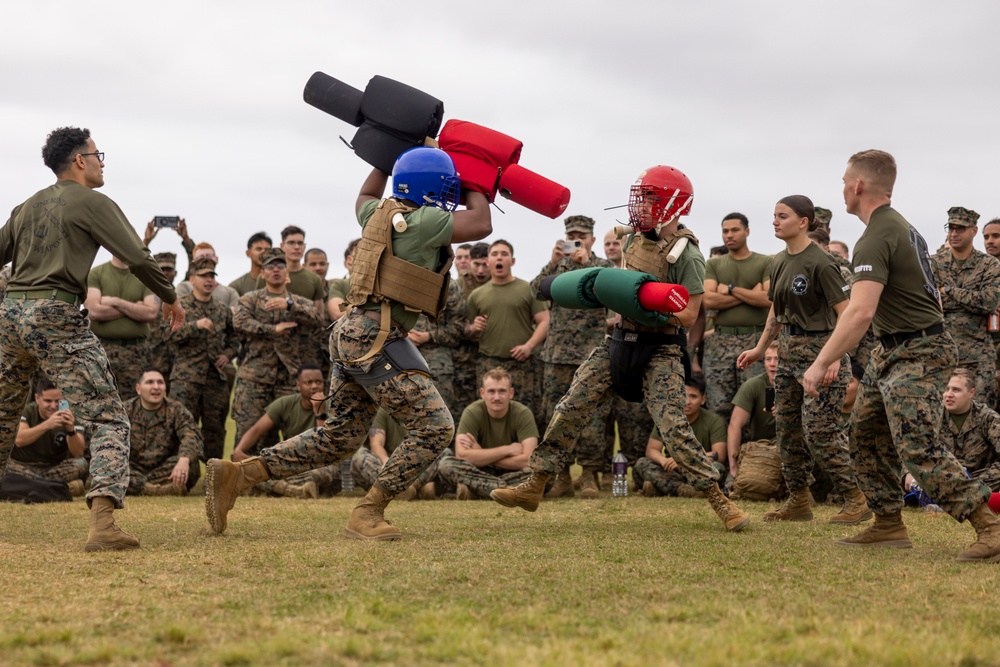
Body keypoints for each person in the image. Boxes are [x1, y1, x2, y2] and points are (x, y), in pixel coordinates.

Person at [205, 146, 493, 540]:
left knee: (339, 435)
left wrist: (383, 154)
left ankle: (239, 474)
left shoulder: (379, 214)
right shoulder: (424, 221)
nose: (452, 192)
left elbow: (364, 196)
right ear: (429, 187)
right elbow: (480, 224)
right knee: (435, 426)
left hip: (350, 333)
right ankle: (368, 512)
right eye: (447, 185)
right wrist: (481, 179)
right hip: (377, 337)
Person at [491, 165, 750, 532]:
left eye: (649, 199)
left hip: (659, 349)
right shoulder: (629, 240)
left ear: (673, 205)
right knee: (571, 407)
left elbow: (690, 314)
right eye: (640, 198)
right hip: (617, 341)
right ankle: (536, 483)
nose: (641, 206)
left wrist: (649, 308)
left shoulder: (686, 254)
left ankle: (720, 501)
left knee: (673, 427)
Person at [801, 149, 1000, 561]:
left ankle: (990, 526)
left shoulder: (877, 234)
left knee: (918, 446)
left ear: (858, 186)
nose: (842, 188)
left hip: (917, 350)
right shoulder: (900, 228)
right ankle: (888, 524)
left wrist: (821, 361)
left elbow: (860, 311)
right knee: (866, 434)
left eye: (844, 182)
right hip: (890, 350)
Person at [0, 126, 184, 551]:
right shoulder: (93, 201)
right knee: (107, 418)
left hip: (11, 314)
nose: (102, 162)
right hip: (56, 312)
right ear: (80, 161)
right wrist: (171, 297)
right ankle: (102, 525)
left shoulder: (26, 206)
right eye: (98, 154)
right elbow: (137, 255)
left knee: (4, 418)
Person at [737, 195, 870, 524]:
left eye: (782, 216)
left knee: (820, 432)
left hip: (821, 354)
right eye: (774, 216)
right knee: (787, 430)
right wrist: (759, 348)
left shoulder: (822, 263)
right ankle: (799, 500)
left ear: (803, 222)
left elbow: (846, 314)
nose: (775, 221)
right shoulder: (778, 261)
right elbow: (775, 311)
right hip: (787, 354)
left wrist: (835, 359)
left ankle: (856, 498)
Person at [531, 215, 615, 498]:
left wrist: (586, 264)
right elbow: (535, 291)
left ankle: (589, 474)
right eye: (571, 237)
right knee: (555, 414)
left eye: (581, 236)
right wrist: (553, 262)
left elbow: (610, 293)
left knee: (592, 415)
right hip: (556, 355)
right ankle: (562, 475)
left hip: (591, 353)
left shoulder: (602, 266)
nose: (575, 242)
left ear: (592, 239)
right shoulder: (557, 267)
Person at [231, 248, 321, 455]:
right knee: (248, 431)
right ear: (262, 273)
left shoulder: (297, 302)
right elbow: (239, 322)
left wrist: (289, 306)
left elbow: (316, 318)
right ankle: (243, 482)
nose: (275, 270)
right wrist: (272, 329)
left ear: (287, 271)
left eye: (280, 266)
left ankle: (290, 479)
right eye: (270, 266)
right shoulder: (250, 300)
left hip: (288, 378)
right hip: (255, 377)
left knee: (295, 432)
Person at [465, 240, 550, 431]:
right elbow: (465, 328)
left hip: (522, 365)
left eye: (504, 254)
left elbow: (545, 321)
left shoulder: (527, 289)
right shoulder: (477, 295)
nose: (499, 258)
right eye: (495, 254)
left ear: (512, 260)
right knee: (489, 414)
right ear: (488, 261)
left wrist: (529, 346)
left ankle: (526, 457)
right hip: (488, 363)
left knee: (527, 413)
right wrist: (473, 328)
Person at [698, 212, 772, 419]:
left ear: (747, 231)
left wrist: (729, 289)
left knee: (755, 404)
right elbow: (709, 301)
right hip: (720, 341)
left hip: (755, 340)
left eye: (735, 230)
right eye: (725, 231)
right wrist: (750, 293)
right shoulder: (714, 264)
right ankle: (723, 451)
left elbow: (768, 299)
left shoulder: (764, 262)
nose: (729, 235)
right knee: (719, 404)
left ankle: (754, 450)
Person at [231, 363, 338, 498]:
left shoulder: (333, 407)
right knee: (258, 470)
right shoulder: (286, 404)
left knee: (323, 473)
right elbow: (256, 430)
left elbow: (323, 448)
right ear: (298, 385)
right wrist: (238, 451)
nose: (315, 386)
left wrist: (319, 412)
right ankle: (294, 490)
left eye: (318, 382)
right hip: (292, 465)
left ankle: (277, 487)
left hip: (319, 464)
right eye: (309, 382)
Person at [169, 257, 238, 461]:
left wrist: (228, 355)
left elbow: (236, 338)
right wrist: (194, 326)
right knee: (181, 426)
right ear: (192, 279)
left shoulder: (221, 309)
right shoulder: (180, 307)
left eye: (212, 276)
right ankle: (182, 475)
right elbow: (168, 335)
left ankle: (213, 477)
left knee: (215, 429)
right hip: (185, 379)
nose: (209, 280)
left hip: (214, 380)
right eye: (203, 276)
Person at [933, 207, 1000, 409]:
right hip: (942, 354)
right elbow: (927, 303)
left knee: (982, 416)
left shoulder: (989, 264)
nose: (954, 234)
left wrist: (949, 290)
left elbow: (989, 302)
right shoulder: (933, 263)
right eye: (951, 228)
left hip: (979, 357)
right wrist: (972, 301)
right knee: (941, 417)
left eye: (960, 229)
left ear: (973, 230)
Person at [437, 368, 538, 500]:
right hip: (480, 471)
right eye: (491, 391)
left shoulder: (523, 413)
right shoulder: (472, 412)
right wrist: (507, 450)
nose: (497, 397)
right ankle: (506, 490)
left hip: (512, 472)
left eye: (502, 391)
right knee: (446, 464)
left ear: (511, 393)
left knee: (542, 471)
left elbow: (528, 460)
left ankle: (477, 490)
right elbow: (461, 455)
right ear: (482, 393)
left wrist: (481, 453)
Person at [904, 369, 1000, 498]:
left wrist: (977, 485)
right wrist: (907, 473)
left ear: (971, 393)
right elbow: (909, 448)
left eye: (956, 390)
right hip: (937, 479)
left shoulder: (988, 419)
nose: (948, 394)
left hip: (978, 480)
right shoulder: (931, 417)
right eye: (946, 389)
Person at [633, 375, 726, 497]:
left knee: (718, 468)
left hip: (697, 467)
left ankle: (660, 488)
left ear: (703, 400)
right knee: (641, 464)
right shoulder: (667, 418)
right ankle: (684, 490)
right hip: (672, 470)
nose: (687, 401)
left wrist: (684, 460)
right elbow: (651, 450)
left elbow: (719, 455)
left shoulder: (714, 420)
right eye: (683, 395)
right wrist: (663, 461)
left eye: (693, 396)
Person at [85, 255, 159, 392]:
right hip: (102, 351)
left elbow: (151, 313)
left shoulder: (145, 275)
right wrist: (135, 308)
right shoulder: (95, 274)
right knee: (102, 400)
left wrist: (116, 302)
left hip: (136, 354)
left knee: (134, 401)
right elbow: (94, 312)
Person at [3, 377, 88, 496]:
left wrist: (70, 430)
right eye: (48, 401)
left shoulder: (70, 415)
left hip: (52, 468)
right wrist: (47, 425)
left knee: (81, 464)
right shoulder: (26, 411)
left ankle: (32, 486)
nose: (53, 406)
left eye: (58, 401)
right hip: (22, 467)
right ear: (37, 398)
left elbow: (78, 453)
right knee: (4, 466)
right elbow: (19, 440)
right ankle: (66, 488)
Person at [125, 369, 203, 496]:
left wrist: (184, 459)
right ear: (138, 389)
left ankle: (138, 487)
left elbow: (191, 434)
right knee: (113, 467)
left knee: (192, 464)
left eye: (160, 383)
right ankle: (157, 490)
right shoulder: (126, 410)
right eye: (150, 382)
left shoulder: (176, 409)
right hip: (134, 469)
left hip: (163, 469)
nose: (156, 387)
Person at [727, 341, 778, 477]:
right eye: (768, 359)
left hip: (791, 451)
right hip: (760, 450)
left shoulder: (800, 385)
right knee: (734, 485)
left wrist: (789, 412)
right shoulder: (753, 386)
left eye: (778, 359)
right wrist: (734, 465)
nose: (772, 363)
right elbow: (734, 426)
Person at [229, 232, 273, 297]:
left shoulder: (280, 282)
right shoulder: (237, 286)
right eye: (259, 249)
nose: (263, 252)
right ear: (248, 253)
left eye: (267, 250)